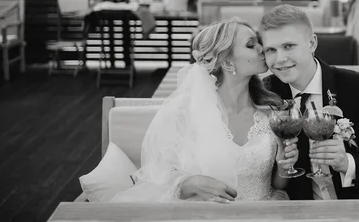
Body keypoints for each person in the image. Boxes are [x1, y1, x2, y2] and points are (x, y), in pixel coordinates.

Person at [111, 18, 298, 203]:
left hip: (264, 213)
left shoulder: (271, 110)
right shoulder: (186, 114)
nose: (261, 48)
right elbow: (158, 174)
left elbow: (277, 185)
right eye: (251, 45)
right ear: (227, 63)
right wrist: (189, 183)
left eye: (259, 42)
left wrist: (283, 166)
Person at [259, 4, 359, 200]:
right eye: (271, 49)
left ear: (312, 43)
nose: (279, 59)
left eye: (288, 46)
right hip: (302, 212)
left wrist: (347, 162)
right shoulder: (266, 93)